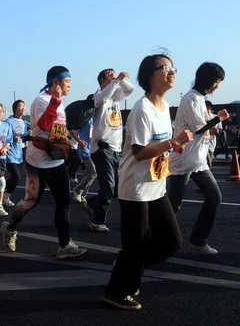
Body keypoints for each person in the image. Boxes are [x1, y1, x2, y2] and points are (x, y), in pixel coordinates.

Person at [103, 53, 191, 310]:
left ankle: (127, 268)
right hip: (136, 188)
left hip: (156, 184)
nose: (171, 71)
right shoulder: (142, 109)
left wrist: (170, 148)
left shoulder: (163, 108)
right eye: (164, 68)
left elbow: (157, 146)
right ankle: (116, 291)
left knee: (171, 241)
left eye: (173, 67)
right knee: (135, 245)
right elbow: (140, 151)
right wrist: (173, 143)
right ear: (149, 76)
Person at [1, 66, 88, 259]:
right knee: (31, 202)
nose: (70, 86)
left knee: (64, 202)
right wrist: (55, 101)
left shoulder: (60, 104)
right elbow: (43, 126)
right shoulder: (41, 101)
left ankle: (64, 245)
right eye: (67, 82)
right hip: (38, 163)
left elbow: (56, 130)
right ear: (56, 82)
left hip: (56, 162)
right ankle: (10, 227)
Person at [167, 62, 229, 256]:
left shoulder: (200, 99)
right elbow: (199, 128)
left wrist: (215, 121)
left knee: (214, 197)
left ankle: (198, 240)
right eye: (216, 81)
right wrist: (218, 118)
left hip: (198, 161)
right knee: (173, 204)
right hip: (183, 160)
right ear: (206, 79)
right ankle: (150, 238)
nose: (217, 86)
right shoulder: (191, 99)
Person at [83, 68, 135, 232]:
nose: (113, 76)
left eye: (114, 73)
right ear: (102, 80)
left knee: (118, 188)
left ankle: (92, 202)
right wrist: (116, 80)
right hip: (101, 148)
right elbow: (103, 97)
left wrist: (120, 80)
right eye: (109, 75)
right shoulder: (97, 96)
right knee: (108, 187)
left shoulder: (115, 96)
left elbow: (130, 89)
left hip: (115, 149)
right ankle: (96, 221)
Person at [3, 99, 30, 206]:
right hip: (9, 154)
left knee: (14, 178)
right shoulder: (8, 122)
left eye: (24, 106)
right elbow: (2, 135)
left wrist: (32, 137)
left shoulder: (24, 123)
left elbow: (23, 138)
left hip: (19, 154)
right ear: (15, 109)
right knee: (16, 178)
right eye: (21, 106)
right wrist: (12, 138)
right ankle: (5, 196)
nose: (23, 108)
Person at [70, 117, 97, 203]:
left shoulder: (95, 118)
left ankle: (83, 194)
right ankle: (78, 190)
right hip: (84, 148)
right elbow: (71, 129)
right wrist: (79, 140)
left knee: (92, 173)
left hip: (92, 148)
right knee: (93, 172)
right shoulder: (83, 118)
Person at [205, 100, 222, 166]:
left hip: (211, 144)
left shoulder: (216, 118)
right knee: (206, 162)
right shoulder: (200, 117)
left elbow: (220, 130)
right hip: (201, 143)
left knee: (208, 164)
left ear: (209, 108)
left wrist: (216, 131)